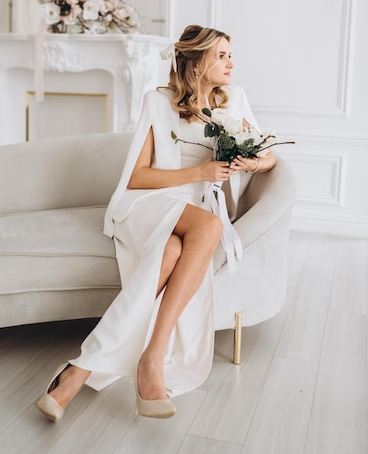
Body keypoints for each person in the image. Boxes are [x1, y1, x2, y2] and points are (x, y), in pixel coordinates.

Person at [35, 24, 276, 421]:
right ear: (196, 63)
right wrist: (199, 173)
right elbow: (136, 178)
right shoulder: (158, 101)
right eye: (221, 55)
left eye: (231, 54)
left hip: (195, 210)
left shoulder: (234, 100)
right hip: (149, 202)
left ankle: (76, 373)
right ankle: (152, 360)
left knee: (173, 251)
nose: (231, 63)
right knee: (209, 228)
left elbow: (268, 155)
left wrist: (252, 161)